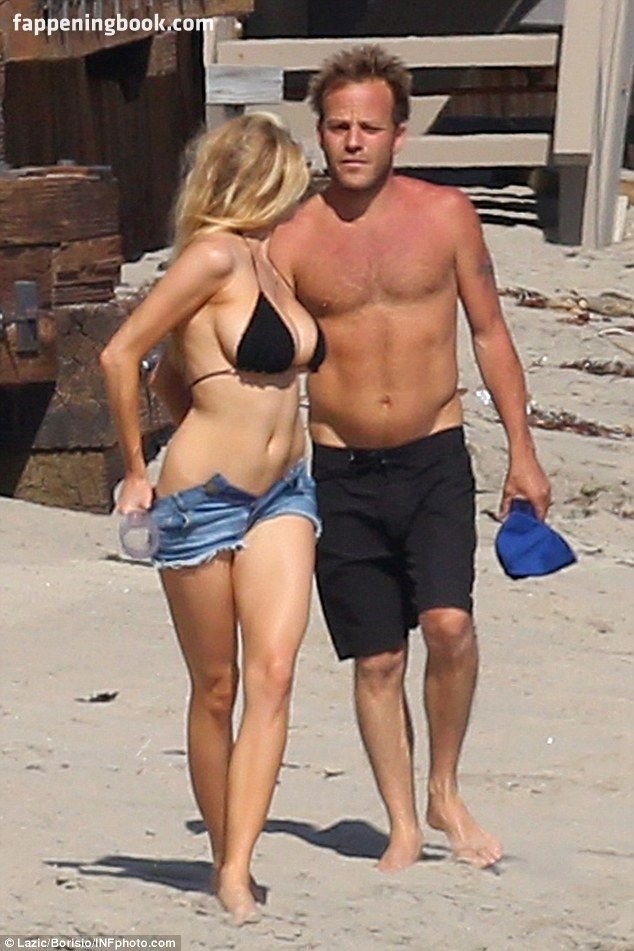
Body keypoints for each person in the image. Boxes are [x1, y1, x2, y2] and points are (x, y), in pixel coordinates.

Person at [154, 45, 551, 872]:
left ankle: (444, 788)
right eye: (338, 126)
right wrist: (223, 454)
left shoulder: (447, 215)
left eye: (370, 126)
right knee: (377, 657)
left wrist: (524, 451)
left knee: (448, 625)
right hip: (337, 470)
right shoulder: (288, 237)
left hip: (435, 453)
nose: (354, 141)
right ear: (321, 133)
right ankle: (402, 821)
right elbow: (209, 348)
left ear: (400, 133)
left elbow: (489, 334)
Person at [100, 112, 323, 924]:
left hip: (284, 492)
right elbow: (122, 353)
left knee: (275, 672)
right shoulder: (214, 254)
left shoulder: (271, 261)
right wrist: (137, 469)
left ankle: (236, 864)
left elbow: (175, 372)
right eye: (293, 177)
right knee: (217, 685)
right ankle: (225, 854)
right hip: (202, 500)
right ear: (264, 178)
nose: (303, 191)